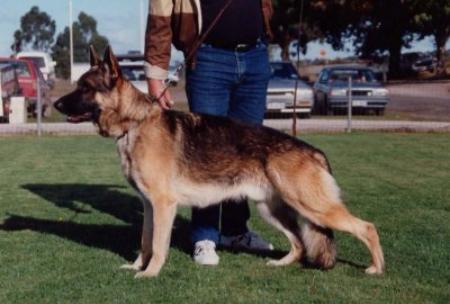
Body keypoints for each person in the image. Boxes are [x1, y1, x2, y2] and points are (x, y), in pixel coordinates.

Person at [145, 0, 274, 265]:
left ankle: (236, 231)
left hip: (256, 54)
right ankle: (205, 236)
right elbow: (159, 16)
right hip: (208, 58)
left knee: (247, 153)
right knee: (206, 152)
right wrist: (155, 76)